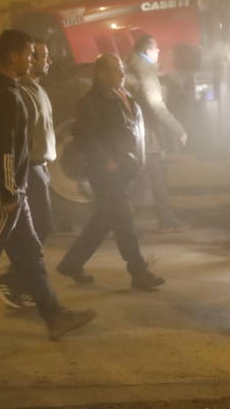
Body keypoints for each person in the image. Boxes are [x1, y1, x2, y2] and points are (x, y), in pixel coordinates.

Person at [0, 29, 95, 349]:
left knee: (30, 254)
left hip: (13, 189)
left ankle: (54, 315)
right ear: (13, 56)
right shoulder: (7, 96)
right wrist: (9, 191)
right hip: (4, 195)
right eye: (29, 53)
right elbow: (3, 150)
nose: (33, 58)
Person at [57, 53, 166, 290]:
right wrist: (106, 160)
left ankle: (72, 263)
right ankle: (138, 271)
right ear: (102, 73)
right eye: (117, 70)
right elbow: (85, 135)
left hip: (125, 170)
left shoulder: (123, 97)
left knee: (105, 219)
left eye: (122, 70)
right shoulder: (91, 101)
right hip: (105, 172)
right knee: (123, 218)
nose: (122, 75)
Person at [0, 39, 57, 309]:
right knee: (36, 228)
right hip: (28, 168)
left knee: (38, 228)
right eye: (41, 56)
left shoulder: (37, 89)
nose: (45, 61)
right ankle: (14, 279)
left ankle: (20, 281)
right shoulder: (21, 92)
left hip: (39, 166)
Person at [125, 33, 188, 232]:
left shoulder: (133, 66)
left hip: (139, 133)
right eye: (156, 48)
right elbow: (156, 105)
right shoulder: (145, 71)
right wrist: (179, 129)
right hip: (148, 134)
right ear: (147, 51)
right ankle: (165, 221)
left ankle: (125, 220)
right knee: (157, 177)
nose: (159, 51)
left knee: (145, 179)